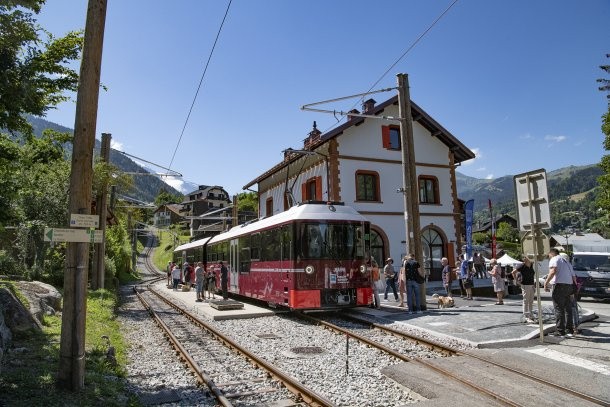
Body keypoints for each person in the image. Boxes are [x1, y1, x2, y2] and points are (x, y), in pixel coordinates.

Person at [544, 248, 578, 337]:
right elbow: (574, 277)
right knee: (568, 308)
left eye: (549, 255)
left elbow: (553, 271)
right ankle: (569, 329)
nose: (548, 256)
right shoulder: (566, 262)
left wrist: (546, 283)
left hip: (559, 286)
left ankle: (560, 331)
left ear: (552, 253)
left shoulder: (554, 259)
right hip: (569, 286)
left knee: (559, 308)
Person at [512, 256, 535, 322]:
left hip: (531, 285)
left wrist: (533, 285)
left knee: (531, 301)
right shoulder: (522, 266)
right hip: (525, 285)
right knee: (526, 301)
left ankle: (530, 315)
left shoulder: (531, 265)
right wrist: (516, 281)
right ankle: (526, 316)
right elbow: (513, 272)